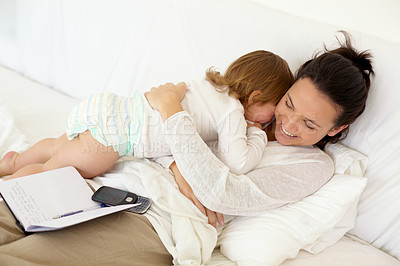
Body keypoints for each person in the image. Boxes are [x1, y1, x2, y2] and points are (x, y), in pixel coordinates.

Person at [0, 32, 373, 265]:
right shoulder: (245, 112)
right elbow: (163, 140)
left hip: (151, 220)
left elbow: (222, 193)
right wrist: (181, 163)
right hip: (105, 177)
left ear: (337, 129)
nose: (288, 125)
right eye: (289, 104)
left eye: (310, 124)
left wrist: (171, 111)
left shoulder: (312, 166)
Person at [0, 50, 293, 180]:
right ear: (256, 97)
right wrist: (256, 132)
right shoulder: (231, 112)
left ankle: (12, 163)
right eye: (275, 107)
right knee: (55, 171)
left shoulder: (207, 84)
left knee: (57, 145)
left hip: (111, 109)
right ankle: (11, 189)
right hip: (115, 138)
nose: (272, 117)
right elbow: (238, 163)